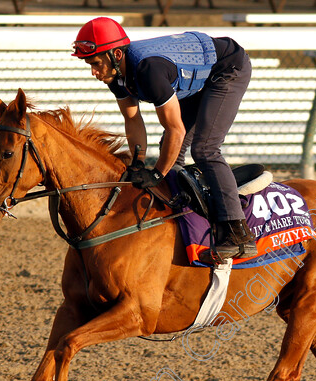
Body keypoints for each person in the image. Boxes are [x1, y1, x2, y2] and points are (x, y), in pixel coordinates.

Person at [72, 17, 257, 261]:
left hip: (227, 68)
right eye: (89, 65)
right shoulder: (116, 76)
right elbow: (133, 120)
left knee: (204, 149)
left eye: (96, 63)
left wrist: (157, 174)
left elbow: (176, 130)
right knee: (170, 151)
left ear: (116, 54)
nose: (94, 72)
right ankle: (180, 214)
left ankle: (238, 233)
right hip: (200, 77)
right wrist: (137, 163)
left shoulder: (148, 71)